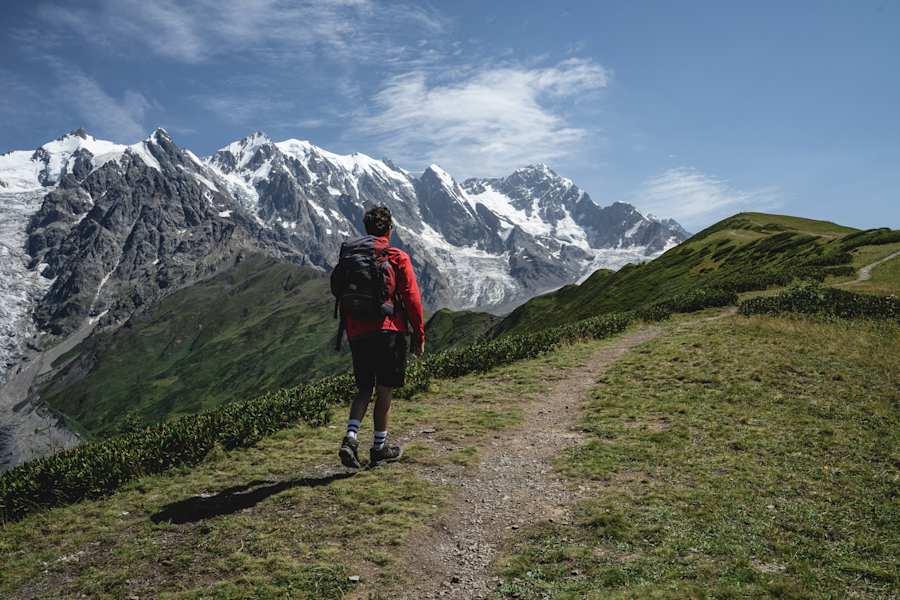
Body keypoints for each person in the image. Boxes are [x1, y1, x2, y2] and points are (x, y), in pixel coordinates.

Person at [334, 205, 425, 468]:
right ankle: (379, 447)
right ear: (390, 229)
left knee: (364, 388)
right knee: (384, 391)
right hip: (389, 331)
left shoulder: (350, 257)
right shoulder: (396, 256)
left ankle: (350, 438)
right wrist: (419, 335)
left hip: (356, 331)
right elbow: (412, 299)